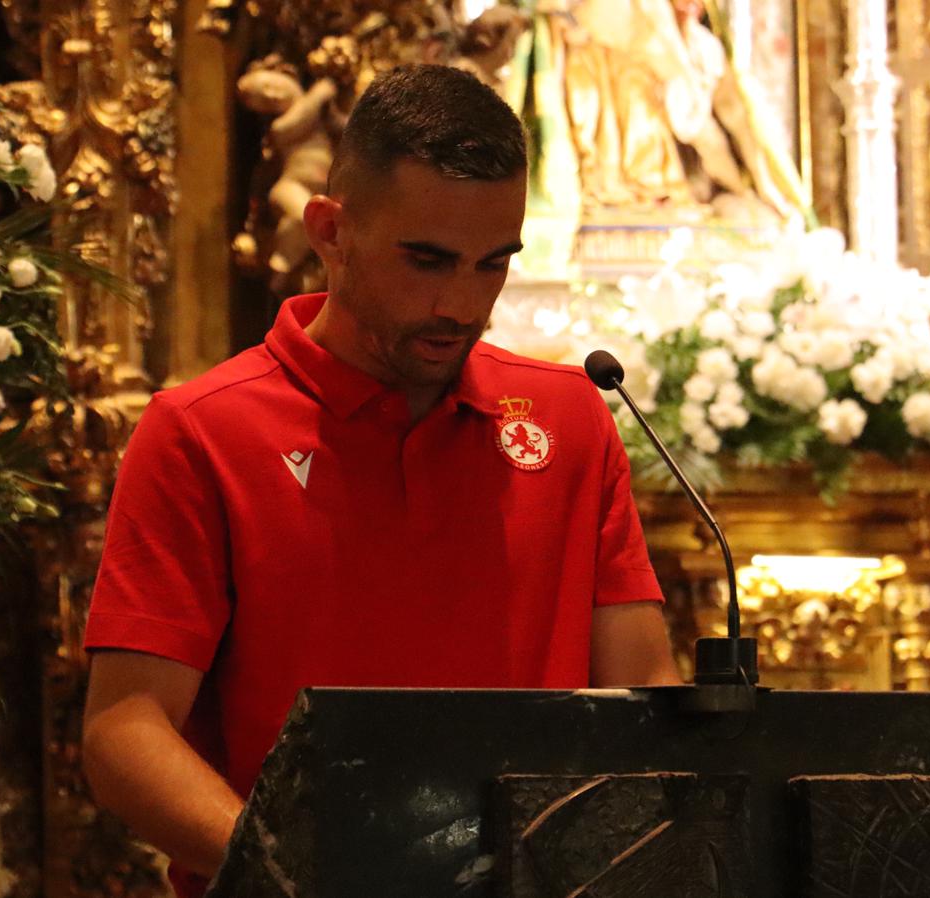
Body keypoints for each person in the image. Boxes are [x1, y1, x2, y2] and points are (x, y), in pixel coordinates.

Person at [79, 64, 682, 898]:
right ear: (330, 229)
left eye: (491, 263)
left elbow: (643, 695)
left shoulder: (570, 420)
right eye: (428, 261)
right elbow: (123, 732)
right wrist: (302, 876)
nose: (462, 304)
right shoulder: (202, 431)